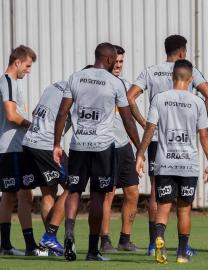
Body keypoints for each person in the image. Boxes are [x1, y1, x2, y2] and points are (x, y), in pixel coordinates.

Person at [127, 34, 208, 256]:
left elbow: (130, 97)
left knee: (158, 194)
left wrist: (145, 124)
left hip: (158, 141)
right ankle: (183, 249)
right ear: (183, 53)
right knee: (184, 206)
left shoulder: (151, 71)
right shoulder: (191, 78)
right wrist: (201, 121)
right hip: (185, 150)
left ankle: (154, 243)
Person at [53, 42, 141, 261]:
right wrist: (140, 147)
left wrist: (56, 144)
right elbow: (128, 120)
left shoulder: (75, 77)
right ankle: (93, 250)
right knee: (98, 197)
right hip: (102, 147)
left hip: (78, 145)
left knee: (74, 191)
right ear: (110, 60)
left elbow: (63, 112)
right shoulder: (115, 82)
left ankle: (70, 233)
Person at [0, 45, 49, 256]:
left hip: (11, 148)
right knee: (24, 195)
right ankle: (30, 246)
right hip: (12, 148)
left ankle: (6, 246)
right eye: (27, 66)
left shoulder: (11, 83)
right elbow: (11, 116)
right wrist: (33, 125)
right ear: (17, 62)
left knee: (10, 196)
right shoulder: (8, 82)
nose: (28, 70)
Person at [22, 81, 71, 256]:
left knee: (49, 192)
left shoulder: (55, 86)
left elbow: (36, 111)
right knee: (74, 186)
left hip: (30, 141)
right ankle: (50, 236)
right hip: (46, 145)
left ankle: (50, 245)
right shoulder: (80, 91)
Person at [100, 45, 140, 253]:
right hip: (106, 147)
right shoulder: (100, 84)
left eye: (121, 61)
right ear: (107, 60)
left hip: (124, 146)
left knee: (133, 192)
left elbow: (131, 114)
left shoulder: (126, 85)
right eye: (115, 61)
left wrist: (144, 128)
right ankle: (104, 239)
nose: (118, 65)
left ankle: (125, 239)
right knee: (108, 194)